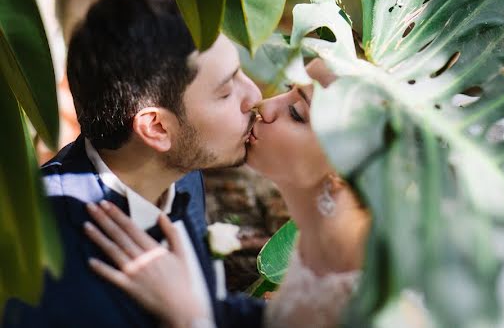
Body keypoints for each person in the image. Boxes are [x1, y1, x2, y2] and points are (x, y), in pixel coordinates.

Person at [2, 0, 266, 328]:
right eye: (226, 92)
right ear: (156, 127)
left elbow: (209, 306)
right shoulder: (47, 273)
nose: (256, 96)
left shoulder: (180, 172)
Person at [81, 62, 376, 328]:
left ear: (343, 171)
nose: (264, 105)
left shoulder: (373, 298)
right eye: (288, 90)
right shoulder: (319, 245)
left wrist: (187, 314)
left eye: (297, 113)